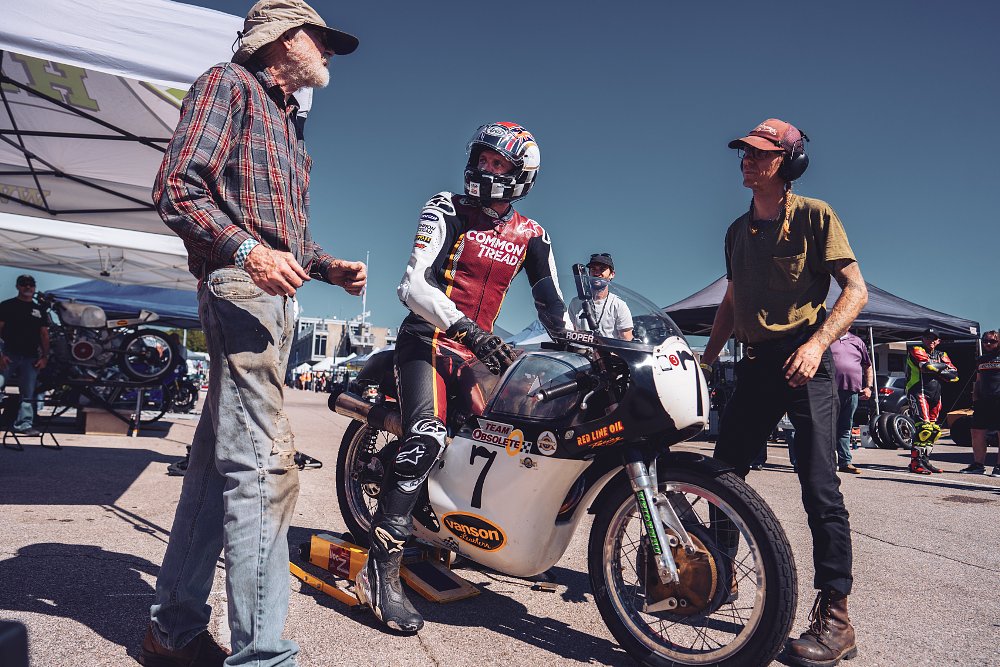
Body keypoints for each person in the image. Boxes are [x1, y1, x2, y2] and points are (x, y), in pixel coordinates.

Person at [141, 2, 365, 665]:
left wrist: (325, 266)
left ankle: (172, 630)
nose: (327, 52)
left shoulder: (290, 126)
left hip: (273, 297)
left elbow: (281, 235)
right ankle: (263, 655)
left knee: (216, 469)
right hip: (241, 291)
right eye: (321, 40)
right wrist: (246, 253)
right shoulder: (229, 84)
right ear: (285, 41)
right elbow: (178, 188)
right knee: (267, 469)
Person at [357, 121, 569, 633]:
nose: (485, 169)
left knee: (503, 441)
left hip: (474, 355)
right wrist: (470, 332)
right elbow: (413, 284)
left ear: (521, 177)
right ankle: (379, 570)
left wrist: (585, 344)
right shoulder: (446, 207)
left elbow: (553, 307)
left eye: (499, 165)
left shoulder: (534, 235)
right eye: (483, 158)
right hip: (427, 339)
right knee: (428, 436)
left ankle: (469, 534)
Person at [700, 118, 867, 667]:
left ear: (789, 162)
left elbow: (855, 291)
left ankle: (836, 618)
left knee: (820, 485)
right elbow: (730, 300)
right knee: (721, 475)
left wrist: (818, 344)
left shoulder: (817, 217)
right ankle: (716, 575)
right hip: (755, 366)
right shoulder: (734, 231)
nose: (747, 160)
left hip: (805, 361)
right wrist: (706, 357)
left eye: (760, 153)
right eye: (744, 152)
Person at [0, 274, 49, 437]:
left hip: (31, 357)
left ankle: (24, 425)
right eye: (23, 284)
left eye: (31, 284)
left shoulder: (39, 310)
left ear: (34, 287)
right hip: (8, 354)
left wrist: (44, 357)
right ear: (17, 286)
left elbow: (44, 335)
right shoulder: (7, 306)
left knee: (28, 394)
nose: (27, 287)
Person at [904, 327, 958, 474]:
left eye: (934, 338)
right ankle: (915, 463)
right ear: (923, 339)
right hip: (918, 392)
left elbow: (954, 375)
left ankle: (925, 461)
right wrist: (942, 369)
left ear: (938, 341)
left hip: (935, 394)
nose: (931, 341)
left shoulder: (942, 354)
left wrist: (937, 369)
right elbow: (925, 366)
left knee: (934, 431)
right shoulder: (916, 349)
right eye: (928, 337)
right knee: (924, 428)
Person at [830, 330, 873, 473]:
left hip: (852, 391)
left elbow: (867, 365)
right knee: (827, 427)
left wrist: (868, 387)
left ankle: (845, 462)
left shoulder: (857, 341)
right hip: (829, 390)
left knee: (845, 427)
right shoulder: (828, 338)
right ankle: (827, 463)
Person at [959, 331, 1000, 476]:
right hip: (983, 402)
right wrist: (975, 399)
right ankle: (978, 465)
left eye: (992, 341)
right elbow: (978, 381)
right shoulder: (981, 360)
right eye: (985, 341)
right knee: (976, 432)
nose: (988, 344)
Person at [568, 253, 634, 340]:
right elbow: (569, 332)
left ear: (612, 274)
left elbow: (627, 339)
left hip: (609, 353)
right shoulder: (575, 303)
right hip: (579, 353)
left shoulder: (619, 305)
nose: (597, 273)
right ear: (588, 273)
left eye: (602, 269)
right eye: (593, 269)